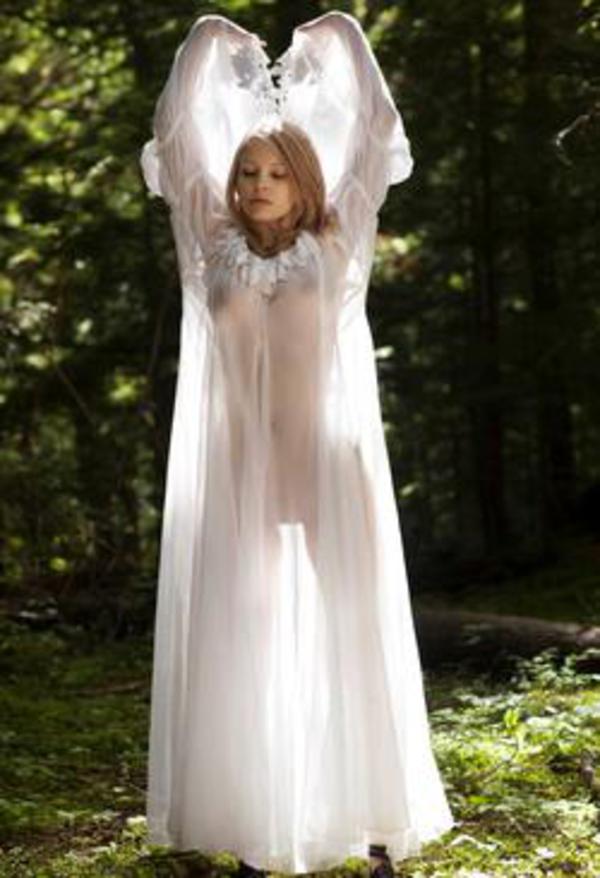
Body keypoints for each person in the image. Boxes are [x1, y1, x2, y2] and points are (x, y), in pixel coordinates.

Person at [139, 10, 454, 877]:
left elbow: (376, 136)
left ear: (303, 179)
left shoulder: (336, 241)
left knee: (352, 637)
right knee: (244, 648)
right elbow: (174, 139)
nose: (260, 182)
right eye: (249, 170)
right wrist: (204, 39)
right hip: (237, 472)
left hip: (324, 466)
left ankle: (378, 826)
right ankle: (255, 831)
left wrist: (348, 33)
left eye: (277, 171)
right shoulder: (209, 243)